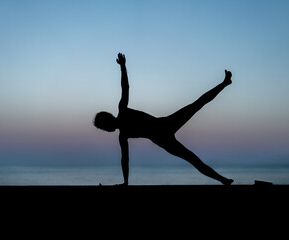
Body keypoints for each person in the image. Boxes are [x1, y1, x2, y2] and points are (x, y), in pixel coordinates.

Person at [94, 53, 234, 186]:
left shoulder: (123, 116)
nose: (106, 130)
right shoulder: (122, 134)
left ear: (108, 120)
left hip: (166, 126)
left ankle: (225, 83)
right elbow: (125, 160)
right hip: (163, 136)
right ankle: (223, 180)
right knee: (193, 157)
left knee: (197, 106)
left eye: (103, 127)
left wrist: (123, 67)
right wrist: (126, 182)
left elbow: (125, 87)